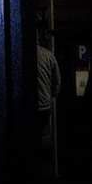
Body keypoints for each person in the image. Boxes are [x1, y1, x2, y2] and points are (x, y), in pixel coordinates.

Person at [36, 22, 61, 154]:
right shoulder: (48, 55)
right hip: (44, 106)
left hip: (26, 107)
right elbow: (57, 83)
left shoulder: (20, 53)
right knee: (43, 137)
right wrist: (51, 96)